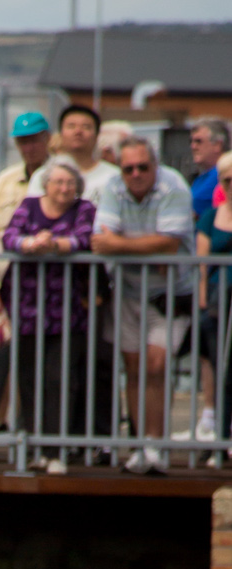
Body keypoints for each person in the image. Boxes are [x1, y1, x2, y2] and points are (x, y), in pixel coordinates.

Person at [92, 137, 195, 474]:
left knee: (157, 366)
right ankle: (140, 444)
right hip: (128, 291)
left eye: (142, 167)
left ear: (155, 166)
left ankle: (157, 443)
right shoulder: (112, 187)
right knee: (134, 369)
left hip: (170, 293)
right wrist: (146, 247)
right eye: (128, 168)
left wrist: (120, 244)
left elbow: (169, 242)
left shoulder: (173, 186)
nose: (135, 173)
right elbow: (100, 240)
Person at [1, 159, 95, 465]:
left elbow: (84, 239)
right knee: (28, 377)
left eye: (70, 183)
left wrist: (55, 244)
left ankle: (57, 449)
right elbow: (9, 238)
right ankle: (34, 445)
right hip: (27, 306)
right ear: (46, 185)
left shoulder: (84, 209)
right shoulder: (28, 206)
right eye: (58, 182)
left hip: (66, 308)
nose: (64, 188)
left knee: (60, 377)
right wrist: (30, 243)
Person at [196, 149, 232, 444]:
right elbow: (201, 266)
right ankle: (218, 435)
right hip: (218, 305)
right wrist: (203, 301)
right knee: (219, 367)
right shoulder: (210, 217)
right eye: (227, 180)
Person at [0, 110, 53, 258]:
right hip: (8, 274)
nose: (28, 148)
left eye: (33, 140)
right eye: (23, 142)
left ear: (48, 138)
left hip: (51, 272)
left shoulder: (63, 178)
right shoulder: (4, 180)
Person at [27, 104, 118, 205]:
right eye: (71, 126)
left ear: (97, 135)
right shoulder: (42, 176)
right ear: (60, 134)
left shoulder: (114, 176)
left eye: (86, 127)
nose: (78, 131)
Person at [188, 118, 231, 236]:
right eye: (191, 141)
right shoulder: (201, 178)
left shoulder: (223, 175)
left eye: (198, 141)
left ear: (217, 144)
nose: (193, 146)